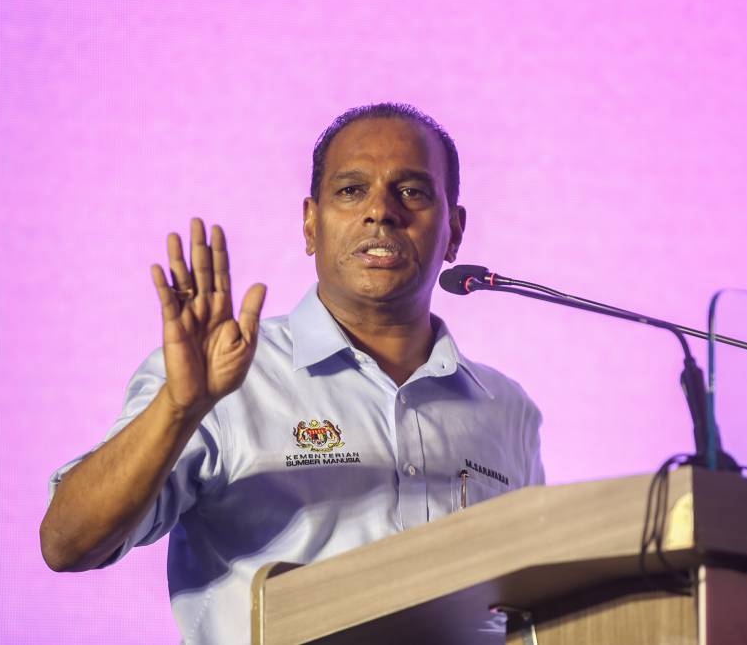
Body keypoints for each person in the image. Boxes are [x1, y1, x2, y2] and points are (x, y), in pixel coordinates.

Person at [40, 103, 544, 643]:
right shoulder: (224, 376)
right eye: (351, 190)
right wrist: (179, 408)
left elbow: (534, 609)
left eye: (413, 191)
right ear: (310, 222)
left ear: (455, 232)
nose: (381, 211)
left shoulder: (506, 409)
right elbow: (69, 544)